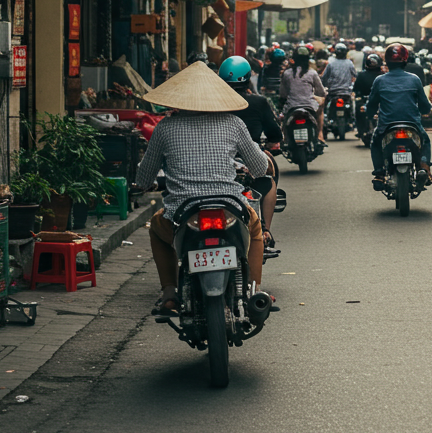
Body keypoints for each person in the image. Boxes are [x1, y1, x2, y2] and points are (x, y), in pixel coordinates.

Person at [135, 62, 271, 315]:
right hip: (229, 207)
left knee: (156, 228)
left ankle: (169, 294)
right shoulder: (233, 123)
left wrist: (142, 185)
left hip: (182, 211)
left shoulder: (165, 127)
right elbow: (260, 167)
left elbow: (144, 177)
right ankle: (253, 291)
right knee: (255, 230)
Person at [220, 56, 282, 247]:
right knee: (269, 182)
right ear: (247, 78)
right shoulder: (257, 102)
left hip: (219, 161)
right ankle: (265, 229)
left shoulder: (214, 104)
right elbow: (274, 132)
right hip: (250, 157)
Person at [366, 43, 432, 189]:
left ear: (387, 62)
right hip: (412, 125)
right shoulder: (414, 79)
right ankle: (424, 167)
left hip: (386, 126)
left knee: (375, 142)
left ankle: (379, 173)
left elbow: (371, 104)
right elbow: (424, 105)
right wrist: (426, 110)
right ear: (405, 61)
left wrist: (369, 114)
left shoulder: (380, 80)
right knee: (425, 141)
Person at [279, 44, 327, 146]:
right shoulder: (312, 73)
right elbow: (321, 92)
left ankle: (285, 138)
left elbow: (283, 94)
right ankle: (320, 134)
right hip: (309, 106)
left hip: (291, 106)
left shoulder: (287, 73)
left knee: (284, 121)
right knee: (321, 109)